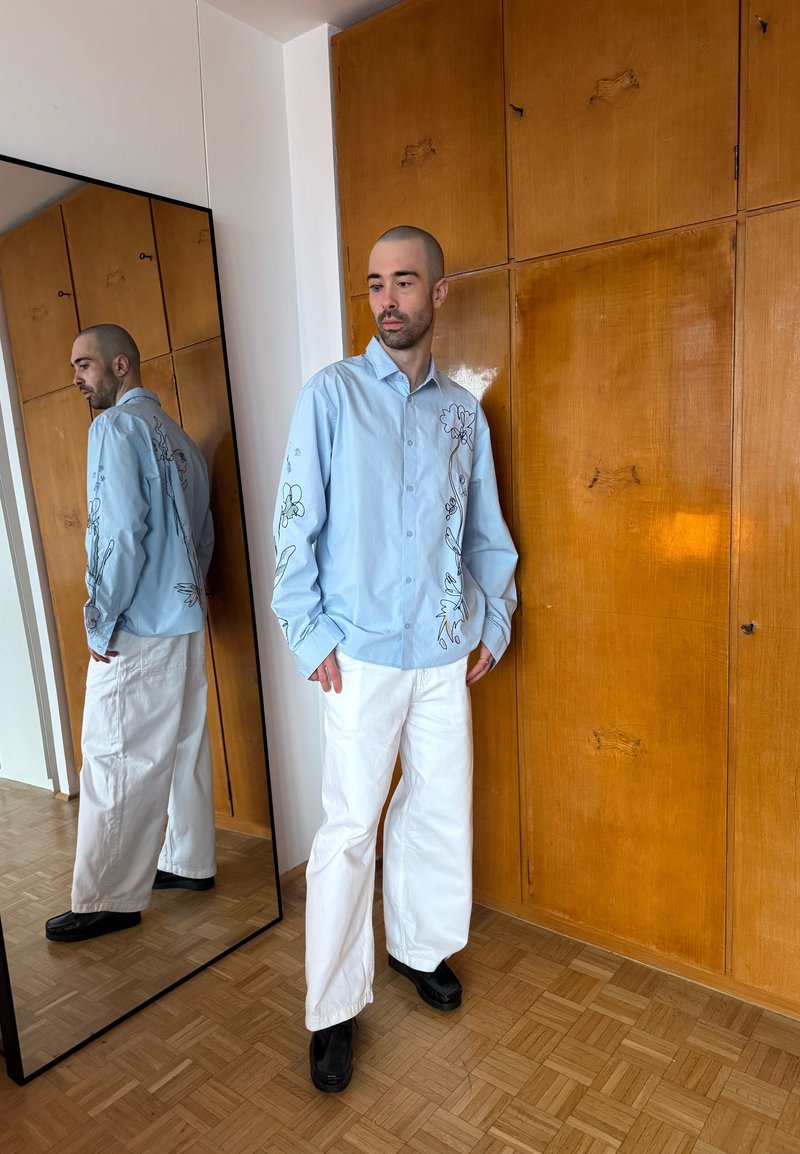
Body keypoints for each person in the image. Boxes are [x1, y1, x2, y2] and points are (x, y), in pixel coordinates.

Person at [271, 226, 517, 1091]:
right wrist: (309, 632)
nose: (386, 300)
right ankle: (334, 1005)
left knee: (439, 808)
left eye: (404, 282)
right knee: (347, 829)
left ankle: (419, 948)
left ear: (438, 293)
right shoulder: (330, 397)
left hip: (446, 651)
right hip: (363, 655)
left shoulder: (461, 415)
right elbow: (293, 520)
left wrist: (495, 621)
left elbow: (485, 532)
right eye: (374, 284)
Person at [45, 324, 216, 944]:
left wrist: (100, 615)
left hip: (137, 624)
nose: (77, 377)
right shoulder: (182, 441)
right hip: (185, 617)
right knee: (183, 743)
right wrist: (189, 594)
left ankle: (110, 899)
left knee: (115, 755)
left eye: (85, 363)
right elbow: (204, 537)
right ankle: (189, 860)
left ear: (121, 365)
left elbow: (117, 534)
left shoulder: (115, 428)